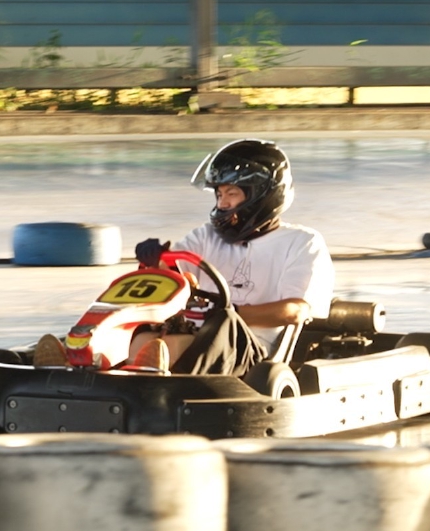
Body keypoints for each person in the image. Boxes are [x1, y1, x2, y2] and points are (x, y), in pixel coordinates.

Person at [35, 138, 332, 377]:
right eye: (219, 195)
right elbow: (174, 277)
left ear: (262, 195)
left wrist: (222, 315)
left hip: (253, 351)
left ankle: (144, 373)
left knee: (221, 322)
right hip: (198, 334)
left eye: (232, 194)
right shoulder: (206, 236)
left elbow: (296, 310)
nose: (223, 203)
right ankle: (91, 364)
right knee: (149, 322)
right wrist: (154, 264)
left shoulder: (302, 242)